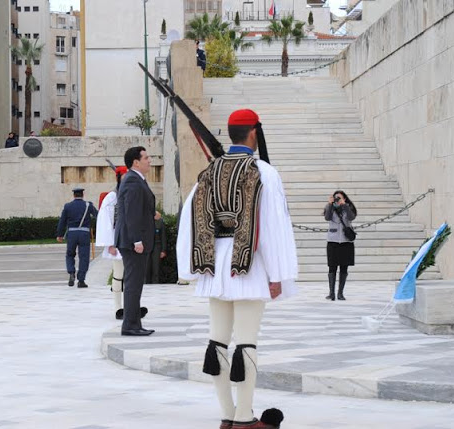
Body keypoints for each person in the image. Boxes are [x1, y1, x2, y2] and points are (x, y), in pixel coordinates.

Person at [177, 109, 298, 429]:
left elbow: (190, 218)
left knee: (217, 342)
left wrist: (193, 268)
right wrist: (277, 274)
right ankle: (245, 419)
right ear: (254, 134)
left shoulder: (209, 171)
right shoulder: (263, 172)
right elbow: (273, 226)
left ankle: (227, 416)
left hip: (214, 266)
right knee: (246, 342)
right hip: (250, 266)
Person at [96, 166, 148, 320]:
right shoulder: (112, 197)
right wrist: (110, 243)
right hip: (119, 241)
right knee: (119, 276)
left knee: (134, 277)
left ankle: (132, 307)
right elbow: (107, 221)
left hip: (134, 240)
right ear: (118, 178)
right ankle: (118, 308)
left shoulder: (134, 195)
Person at [114, 146, 156, 336]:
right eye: (146, 157)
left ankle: (134, 323)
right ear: (136, 162)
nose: (150, 160)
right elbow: (131, 214)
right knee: (133, 284)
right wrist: (137, 240)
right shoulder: (132, 181)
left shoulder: (136, 180)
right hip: (133, 243)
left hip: (134, 240)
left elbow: (138, 209)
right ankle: (130, 325)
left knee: (135, 283)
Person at [56, 187, 98, 288]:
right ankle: (81, 280)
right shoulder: (88, 205)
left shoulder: (68, 206)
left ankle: (71, 272)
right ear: (82, 195)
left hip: (72, 234)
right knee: (84, 257)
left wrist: (60, 234)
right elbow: (98, 216)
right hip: (84, 234)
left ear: (74, 195)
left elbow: (62, 221)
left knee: (70, 254)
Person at [323, 190, 357, 301]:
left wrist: (345, 205)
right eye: (336, 198)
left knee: (344, 268)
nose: (337, 200)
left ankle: (340, 293)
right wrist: (329, 204)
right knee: (332, 268)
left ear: (344, 198)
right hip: (332, 241)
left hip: (346, 242)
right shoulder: (330, 208)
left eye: (339, 198)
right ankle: (331, 293)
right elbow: (327, 217)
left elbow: (351, 217)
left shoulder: (348, 208)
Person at [145, 213, 167, 284]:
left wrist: (163, 250)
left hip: (157, 247)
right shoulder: (144, 221)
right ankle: (145, 285)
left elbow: (163, 237)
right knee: (146, 269)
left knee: (156, 269)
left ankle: (155, 285)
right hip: (146, 247)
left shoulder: (160, 222)